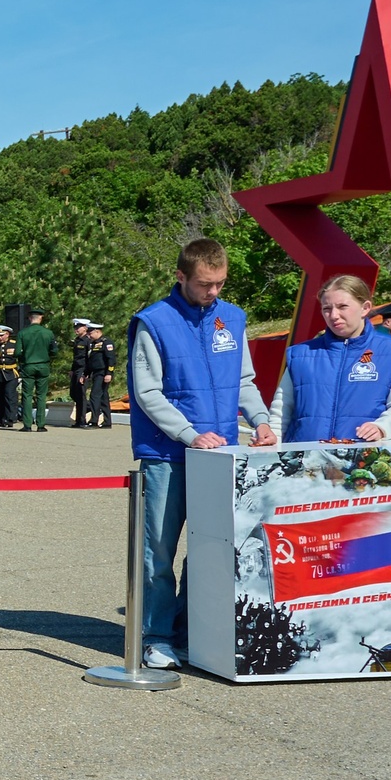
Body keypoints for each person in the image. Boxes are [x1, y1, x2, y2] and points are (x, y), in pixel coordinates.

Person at [129, 240, 278, 669]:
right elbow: (147, 393)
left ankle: (194, 632)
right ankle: (156, 637)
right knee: (158, 551)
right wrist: (189, 434)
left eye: (220, 284)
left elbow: (244, 379)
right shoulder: (153, 322)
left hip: (221, 457)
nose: (213, 292)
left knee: (213, 549)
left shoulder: (233, 318)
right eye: (204, 284)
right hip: (166, 455)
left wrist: (261, 421)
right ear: (180, 277)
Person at [274, 274, 391, 443]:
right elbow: (281, 410)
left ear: (365, 308)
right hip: (305, 462)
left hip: (364, 460)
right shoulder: (301, 354)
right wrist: (272, 441)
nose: (334, 315)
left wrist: (383, 427)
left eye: (342, 306)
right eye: (326, 309)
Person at [18, 310, 54, 431]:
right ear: (41, 318)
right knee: (41, 395)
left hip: (28, 365)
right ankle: (41, 424)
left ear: (29, 318)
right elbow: (54, 351)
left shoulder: (23, 333)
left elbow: (17, 352)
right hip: (43, 365)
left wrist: (25, 358)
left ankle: (27, 424)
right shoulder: (48, 333)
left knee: (27, 395)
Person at [0, 325, 22, 429]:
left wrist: (21, 373)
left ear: (7, 335)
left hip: (11, 373)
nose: (0, 337)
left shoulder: (14, 344)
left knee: (9, 395)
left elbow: (21, 359)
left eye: (2, 335)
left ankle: (10, 418)